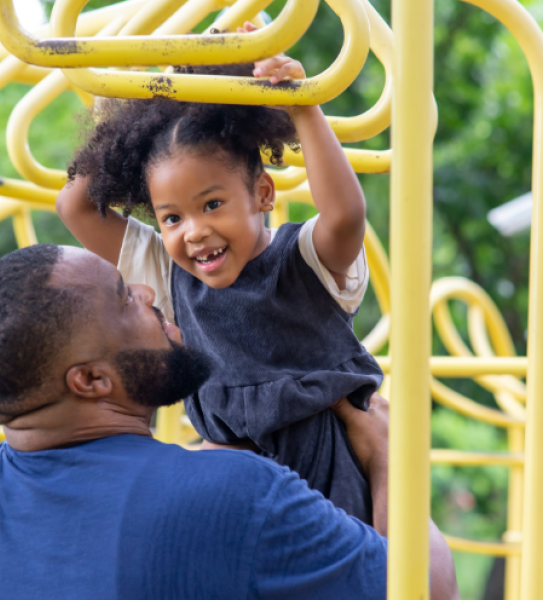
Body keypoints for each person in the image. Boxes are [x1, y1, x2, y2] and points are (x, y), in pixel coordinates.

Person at [0, 244, 459, 600]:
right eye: (123, 300)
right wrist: (389, 457)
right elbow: (424, 587)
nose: (147, 292)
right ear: (91, 380)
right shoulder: (238, 494)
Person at [58, 24, 384, 524]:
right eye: (172, 217)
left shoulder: (304, 262)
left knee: (374, 563)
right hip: (233, 487)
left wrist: (302, 106)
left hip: (330, 479)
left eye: (212, 204)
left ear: (263, 195)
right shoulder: (168, 274)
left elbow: (343, 216)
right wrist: (139, 99)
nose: (194, 231)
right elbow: (75, 206)